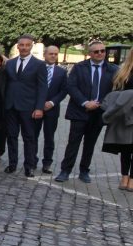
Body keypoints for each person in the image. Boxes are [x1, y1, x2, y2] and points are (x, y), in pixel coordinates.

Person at [55, 40, 119, 183]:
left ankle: (84, 170)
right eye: (96, 51)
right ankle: (65, 170)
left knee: (90, 143)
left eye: (103, 51)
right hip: (79, 110)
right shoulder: (79, 67)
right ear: (90, 53)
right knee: (73, 142)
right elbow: (71, 86)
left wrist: (101, 104)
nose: (100, 53)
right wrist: (85, 102)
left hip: (99, 112)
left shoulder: (113, 69)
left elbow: (115, 90)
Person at [4, 34, 47, 177]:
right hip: (11, 106)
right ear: (17, 46)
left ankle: (29, 166)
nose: (24, 48)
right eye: (21, 45)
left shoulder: (39, 64)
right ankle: (12, 164)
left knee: (29, 137)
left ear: (31, 46)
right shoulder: (10, 63)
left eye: (27, 45)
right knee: (11, 136)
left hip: (29, 107)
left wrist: (39, 107)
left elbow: (42, 88)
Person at [101, 52, 133, 191]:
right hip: (125, 114)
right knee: (126, 148)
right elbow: (116, 92)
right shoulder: (123, 71)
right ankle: (124, 177)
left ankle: (132, 179)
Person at [35, 46, 68, 174]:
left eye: (55, 54)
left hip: (52, 109)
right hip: (37, 107)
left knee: (49, 137)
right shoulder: (37, 68)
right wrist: (39, 103)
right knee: (33, 135)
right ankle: (32, 160)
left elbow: (64, 90)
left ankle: (47, 163)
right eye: (50, 54)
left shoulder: (61, 72)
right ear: (45, 54)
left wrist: (52, 102)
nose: (53, 56)